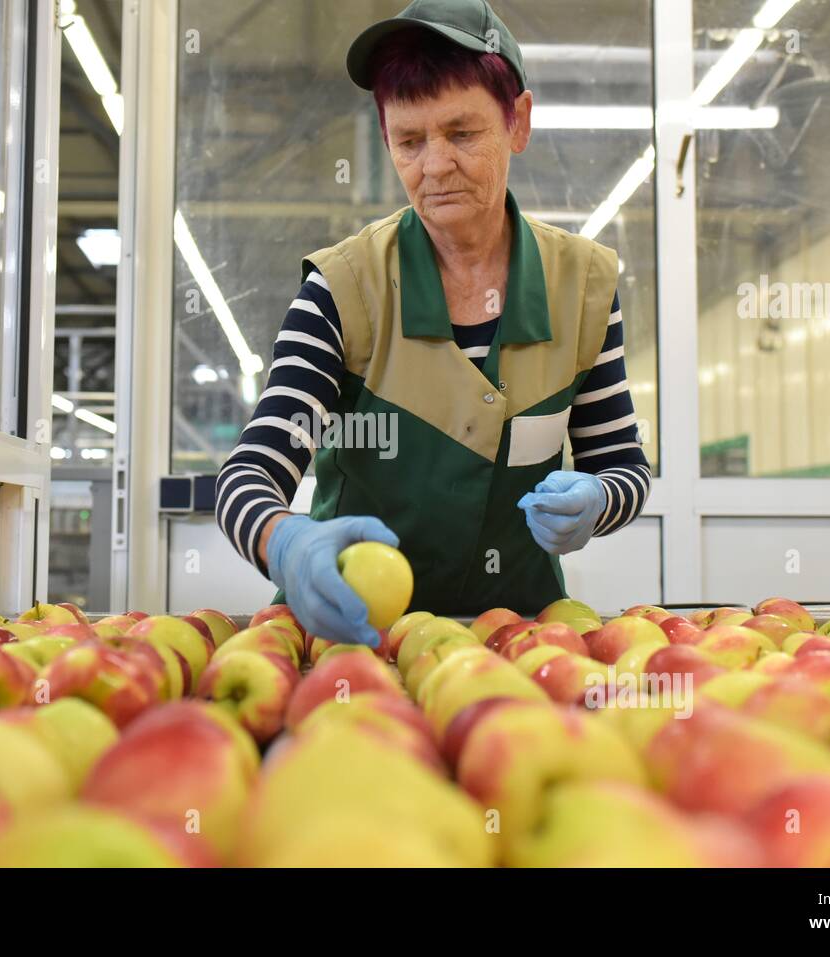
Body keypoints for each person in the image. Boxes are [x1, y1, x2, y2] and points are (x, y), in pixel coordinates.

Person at [217, 0, 650, 646]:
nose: (435, 166)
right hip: (357, 643)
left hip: (519, 649)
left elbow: (623, 466)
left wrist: (598, 501)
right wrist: (285, 542)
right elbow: (249, 473)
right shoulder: (342, 290)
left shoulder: (582, 288)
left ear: (518, 122)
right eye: (410, 141)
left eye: (462, 134)